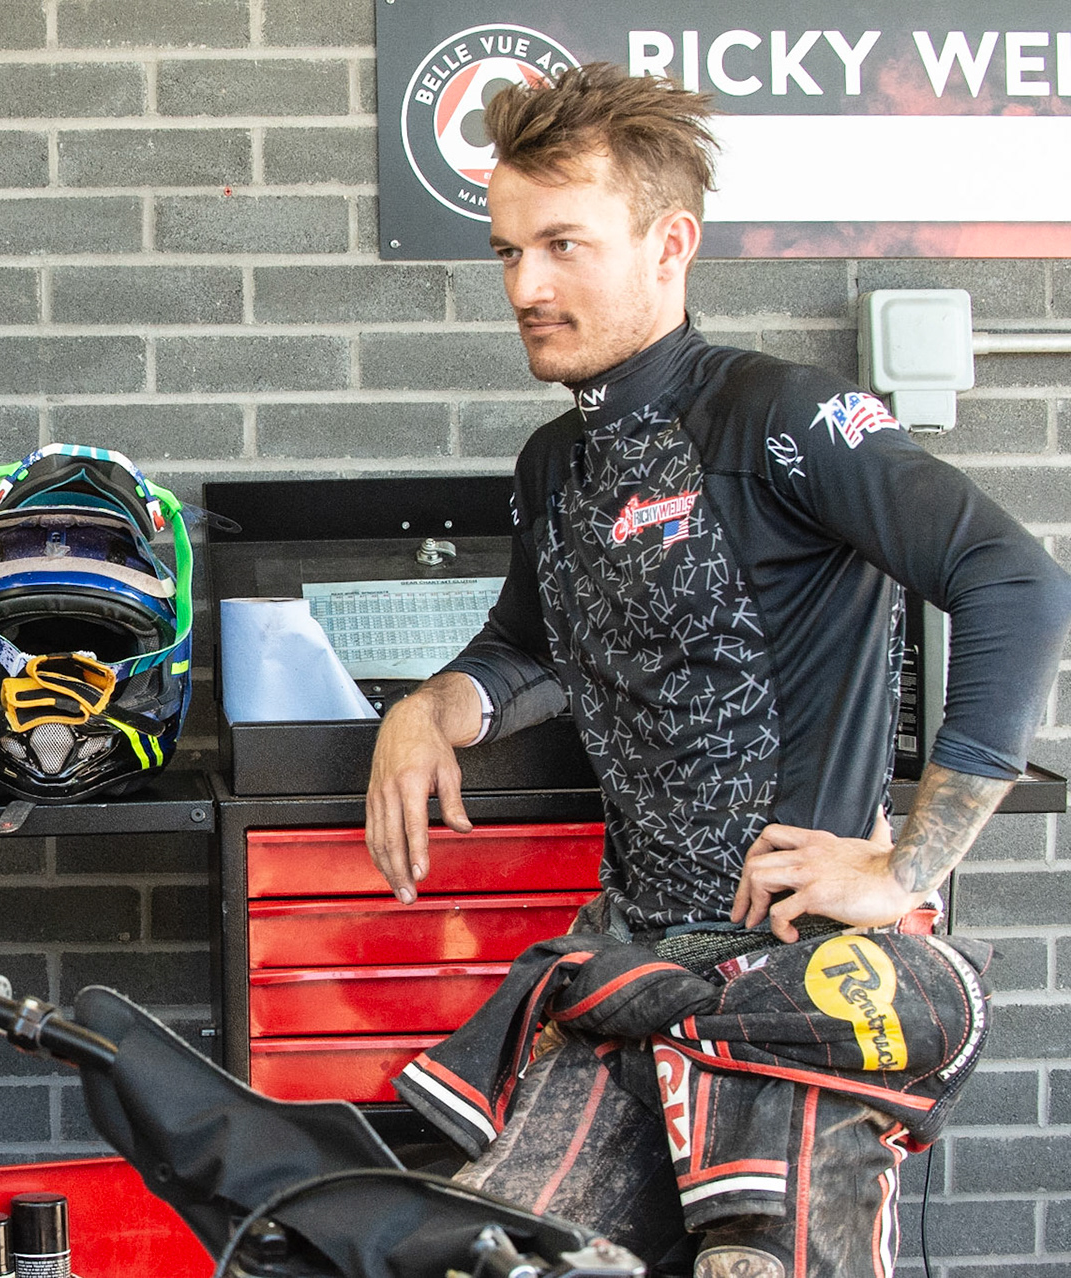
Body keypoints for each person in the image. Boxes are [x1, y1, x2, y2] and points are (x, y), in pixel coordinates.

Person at [364, 66, 1071, 1277]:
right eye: (507, 252)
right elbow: (532, 648)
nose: (526, 286)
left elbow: (1016, 580)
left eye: (564, 246)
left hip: (799, 977)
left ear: (669, 244)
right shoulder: (554, 466)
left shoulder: (786, 416)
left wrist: (912, 860)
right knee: (496, 1252)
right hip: (635, 957)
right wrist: (433, 706)